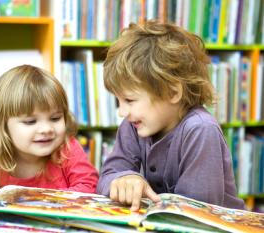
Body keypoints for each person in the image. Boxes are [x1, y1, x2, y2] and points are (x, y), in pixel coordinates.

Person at [96, 20, 245, 211]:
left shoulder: (200, 130)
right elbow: (107, 177)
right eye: (118, 101)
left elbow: (195, 212)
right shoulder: (133, 124)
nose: (122, 112)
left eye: (130, 100)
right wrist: (124, 179)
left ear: (173, 92)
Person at [0, 65, 98, 206]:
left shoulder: (67, 149)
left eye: (55, 118)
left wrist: (48, 203)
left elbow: (89, 185)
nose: (46, 129)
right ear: (3, 127)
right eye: (30, 122)